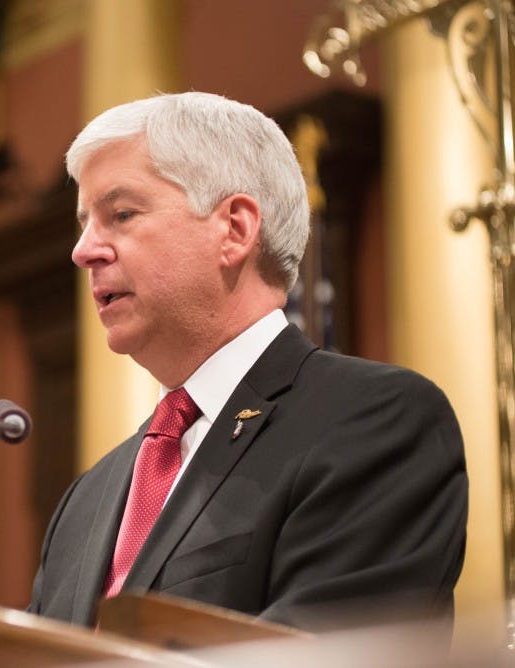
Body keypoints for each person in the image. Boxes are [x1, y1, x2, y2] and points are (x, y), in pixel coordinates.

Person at [27, 92, 468, 631]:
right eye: (84, 223)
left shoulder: (374, 422)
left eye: (120, 214)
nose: (83, 250)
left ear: (235, 229)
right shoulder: (86, 500)